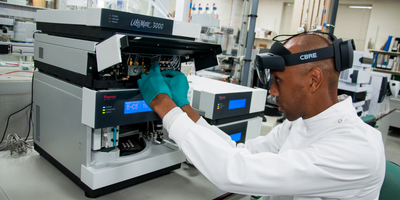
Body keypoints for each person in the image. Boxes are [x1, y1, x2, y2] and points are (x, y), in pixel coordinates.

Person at [137, 33, 386, 200]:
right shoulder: (300, 124)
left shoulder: (356, 149)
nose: (273, 91)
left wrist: (162, 104)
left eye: (278, 80)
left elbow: (234, 171)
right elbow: (237, 150)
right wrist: (183, 107)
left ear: (314, 80)